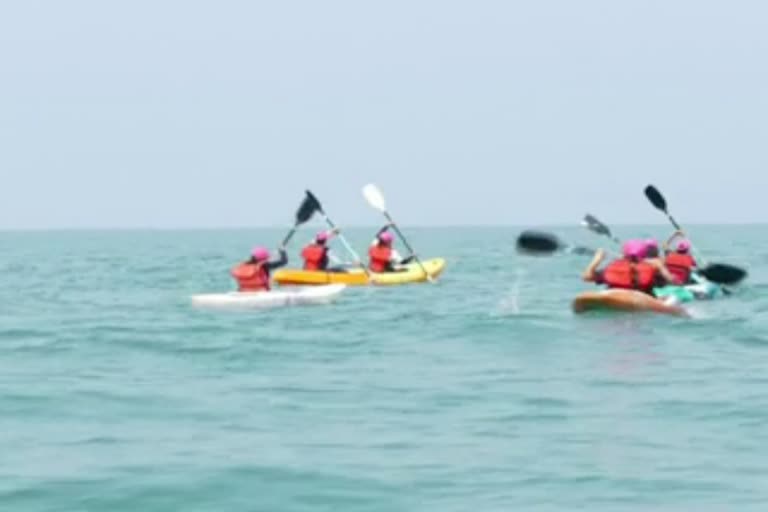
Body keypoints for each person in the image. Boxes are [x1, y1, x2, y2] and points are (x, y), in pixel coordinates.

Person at [582, 239, 675, 295]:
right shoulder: (652, 268)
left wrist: (597, 259)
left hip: (614, 298)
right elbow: (671, 281)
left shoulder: (612, 267)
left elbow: (586, 277)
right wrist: (661, 267)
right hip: (642, 303)